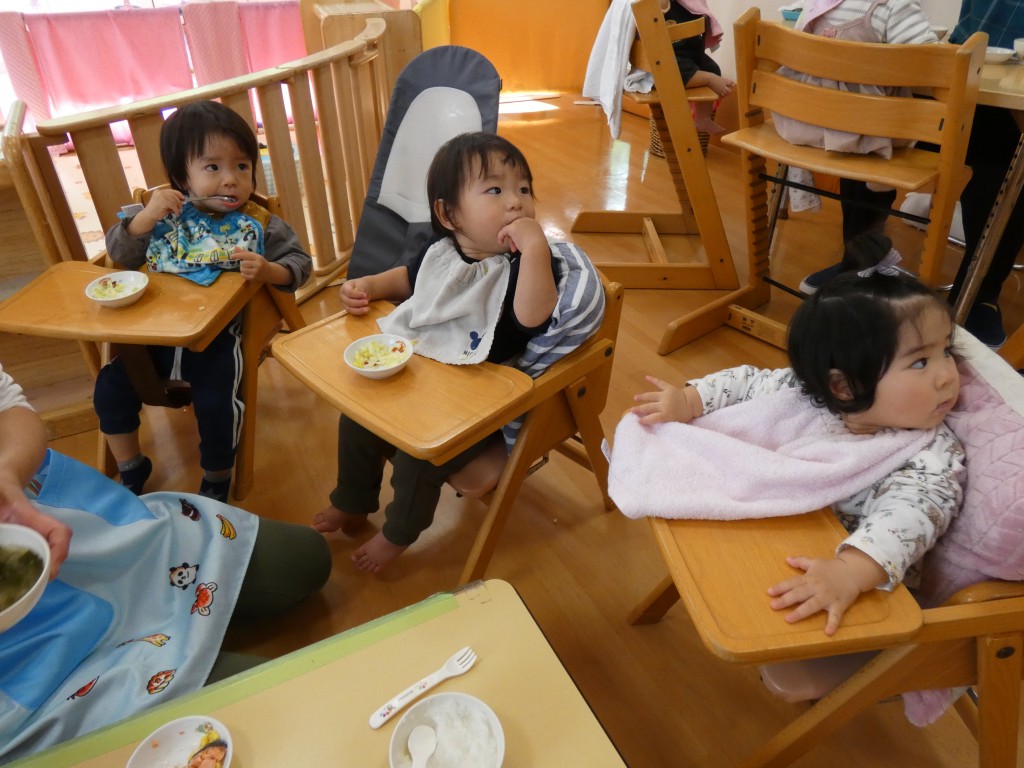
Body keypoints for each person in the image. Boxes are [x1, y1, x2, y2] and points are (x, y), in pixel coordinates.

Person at [627, 235, 965, 634]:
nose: (947, 375)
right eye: (921, 362)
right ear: (843, 386)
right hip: (767, 525)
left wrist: (851, 571)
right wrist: (689, 400)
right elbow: (746, 382)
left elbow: (911, 518)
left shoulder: (928, 455)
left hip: (835, 567)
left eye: (947, 351)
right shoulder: (802, 393)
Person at [0, 362, 332, 763]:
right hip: (25, 685)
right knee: (280, 713)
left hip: (77, 539)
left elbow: (9, 405)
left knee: (306, 558)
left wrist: (7, 474)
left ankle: (184, 629)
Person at [312, 131, 604, 574]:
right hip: (425, 378)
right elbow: (410, 280)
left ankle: (398, 534)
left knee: (421, 459)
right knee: (355, 418)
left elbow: (533, 315)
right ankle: (352, 500)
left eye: (524, 189)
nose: (516, 202)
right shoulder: (441, 253)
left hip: (478, 406)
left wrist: (535, 250)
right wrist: (369, 286)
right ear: (449, 215)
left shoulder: (522, 267)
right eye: (495, 190)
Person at [94, 100, 313, 502]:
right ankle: (131, 465)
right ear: (183, 178)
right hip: (155, 335)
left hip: (218, 338)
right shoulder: (165, 217)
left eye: (242, 166)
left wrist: (269, 271)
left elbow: (301, 264)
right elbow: (120, 253)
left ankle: (217, 473)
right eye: (213, 167)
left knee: (217, 403)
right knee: (109, 387)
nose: (231, 180)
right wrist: (145, 218)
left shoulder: (262, 224)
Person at [776, 0, 939, 293]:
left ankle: (856, 261)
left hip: (813, 125)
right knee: (893, 141)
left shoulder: (816, 5)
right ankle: (863, 265)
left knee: (858, 170)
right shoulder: (894, 7)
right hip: (870, 133)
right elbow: (931, 64)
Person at [943, 0, 1024, 347]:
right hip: (967, 61)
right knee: (872, 126)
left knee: (1008, 164)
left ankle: (979, 295)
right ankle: (860, 257)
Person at [658, 0, 735, 135]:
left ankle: (703, 119)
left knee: (712, 68)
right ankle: (708, 79)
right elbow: (654, 10)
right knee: (676, 68)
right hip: (665, 57)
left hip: (689, 52)